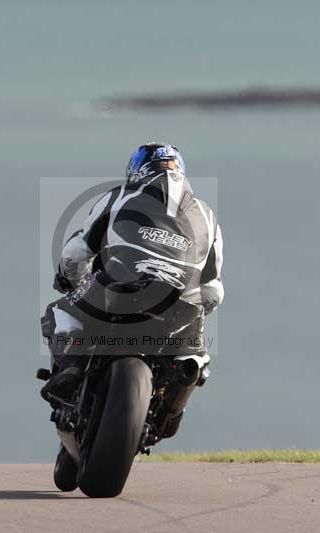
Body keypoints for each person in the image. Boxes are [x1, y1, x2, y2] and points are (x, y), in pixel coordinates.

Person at [40, 142, 224, 403]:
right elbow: (213, 289)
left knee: (59, 312)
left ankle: (72, 367)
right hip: (180, 304)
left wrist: (69, 279)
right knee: (194, 354)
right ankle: (178, 391)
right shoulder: (208, 216)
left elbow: (78, 252)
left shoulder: (119, 196)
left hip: (120, 288)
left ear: (137, 170)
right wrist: (197, 307)